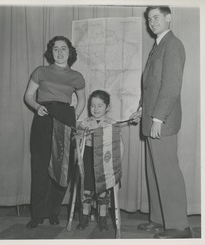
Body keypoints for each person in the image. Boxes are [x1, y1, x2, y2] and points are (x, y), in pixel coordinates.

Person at [130, 6, 191, 238]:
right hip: (152, 118)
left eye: (156, 17)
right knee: (155, 173)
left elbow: (171, 86)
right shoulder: (157, 47)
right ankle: (159, 219)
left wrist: (157, 118)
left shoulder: (173, 45)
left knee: (167, 173)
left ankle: (179, 227)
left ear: (169, 18)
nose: (151, 22)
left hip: (162, 122)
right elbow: (152, 85)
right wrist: (142, 109)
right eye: (149, 19)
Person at [24, 36, 86, 229]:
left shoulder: (77, 76)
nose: (60, 53)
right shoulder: (40, 71)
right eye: (56, 49)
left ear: (70, 52)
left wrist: (72, 118)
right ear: (51, 52)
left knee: (62, 168)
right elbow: (28, 95)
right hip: (43, 117)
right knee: (40, 166)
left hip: (65, 118)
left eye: (64, 49)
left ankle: (53, 212)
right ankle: (37, 215)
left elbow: (82, 101)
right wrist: (36, 107)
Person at [76, 90, 123, 231]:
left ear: (107, 107)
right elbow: (78, 142)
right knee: (87, 188)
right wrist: (78, 137)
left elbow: (119, 144)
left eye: (100, 106)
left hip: (105, 158)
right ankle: (85, 214)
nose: (95, 109)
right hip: (88, 156)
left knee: (103, 189)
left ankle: (102, 216)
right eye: (92, 106)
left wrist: (118, 162)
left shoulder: (111, 123)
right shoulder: (85, 122)